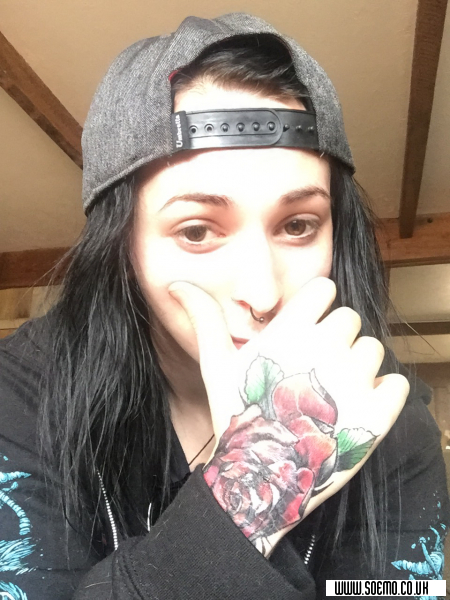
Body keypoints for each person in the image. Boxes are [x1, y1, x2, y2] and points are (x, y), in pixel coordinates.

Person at [0, 13, 448, 600]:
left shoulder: (387, 422)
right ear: (121, 246)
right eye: (196, 231)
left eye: (297, 225)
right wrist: (243, 504)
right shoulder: (18, 396)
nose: (263, 295)